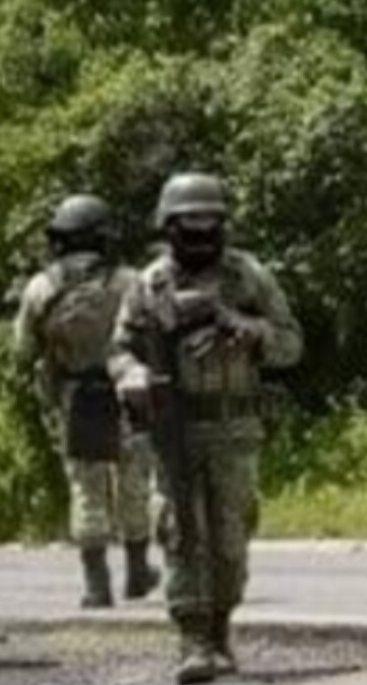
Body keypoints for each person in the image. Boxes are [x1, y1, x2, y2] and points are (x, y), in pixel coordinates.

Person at [111, 174, 303, 684]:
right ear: (168, 228)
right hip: (173, 426)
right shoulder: (149, 285)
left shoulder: (248, 278)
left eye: (208, 224)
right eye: (188, 225)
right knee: (179, 532)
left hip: (234, 429)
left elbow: (290, 344)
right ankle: (192, 639)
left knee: (230, 537)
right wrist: (131, 376)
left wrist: (239, 326)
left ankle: (220, 630)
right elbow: (118, 350)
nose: (199, 235)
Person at [14, 194, 159, 608]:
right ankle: (137, 573)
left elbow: (23, 350)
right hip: (128, 387)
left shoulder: (42, 287)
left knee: (86, 487)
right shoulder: (130, 281)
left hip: (76, 395)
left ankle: (96, 586)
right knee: (135, 481)